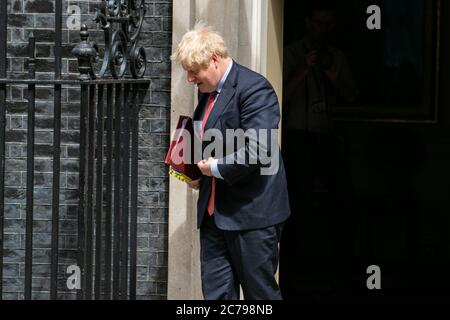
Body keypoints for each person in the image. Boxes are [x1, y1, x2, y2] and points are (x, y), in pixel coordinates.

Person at [171, 22, 291, 300]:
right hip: (214, 217)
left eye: (193, 71)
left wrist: (212, 167)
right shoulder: (207, 91)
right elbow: (212, 138)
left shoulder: (256, 89)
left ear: (214, 59)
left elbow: (258, 149)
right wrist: (193, 170)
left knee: (260, 296)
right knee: (216, 296)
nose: (189, 78)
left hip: (253, 216)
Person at [280, 1, 358, 296]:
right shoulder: (288, 53)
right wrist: (303, 70)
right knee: (297, 205)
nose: (322, 30)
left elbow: (352, 95)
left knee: (346, 201)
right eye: (318, 24)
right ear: (308, 23)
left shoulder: (336, 57)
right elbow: (277, 96)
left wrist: (335, 77)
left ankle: (343, 275)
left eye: (328, 25)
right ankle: (290, 276)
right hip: (299, 138)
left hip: (327, 137)